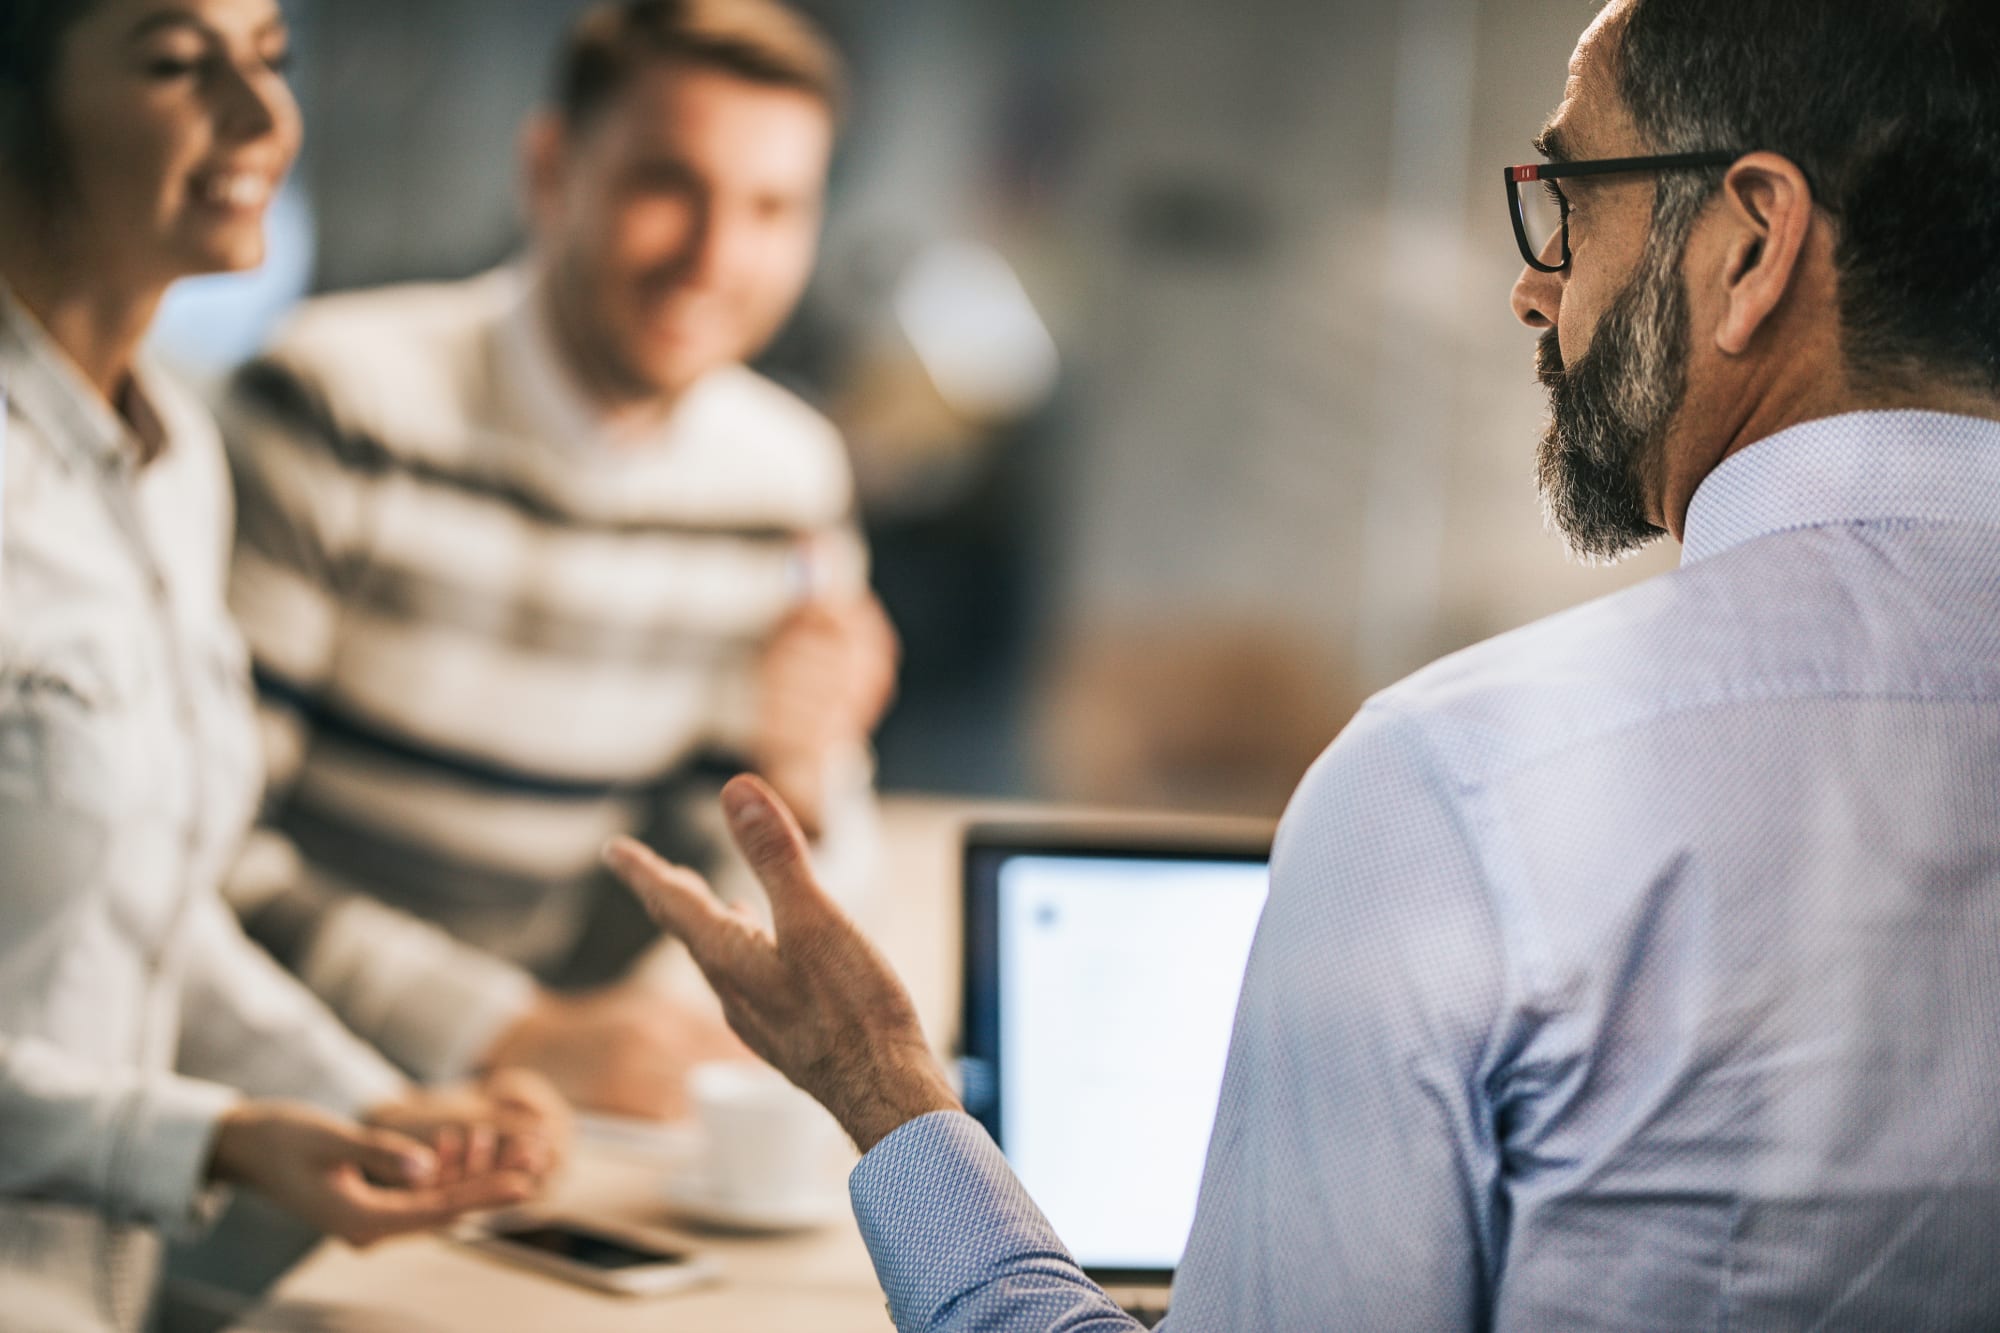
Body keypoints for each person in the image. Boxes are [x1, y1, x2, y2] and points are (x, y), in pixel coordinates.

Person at [607, 0, 2000, 1326]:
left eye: (1570, 202)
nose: (1532, 286)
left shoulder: (1463, 787)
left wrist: (887, 1094)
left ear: (1750, 246)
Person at [216, 0, 896, 1119]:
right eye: (665, 184)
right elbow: (196, 853)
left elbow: (753, 886)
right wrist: (508, 1033)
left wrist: (804, 781)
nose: (715, 256)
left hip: (554, 1124)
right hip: (286, 1101)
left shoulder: (787, 479)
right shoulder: (333, 403)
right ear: (549, 170)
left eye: (772, 208)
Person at [0, 2, 567, 1328]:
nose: (262, 120)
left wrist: (370, 1101)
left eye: (268, 57)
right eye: (175, 63)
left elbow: (136, 920)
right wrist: (209, 1140)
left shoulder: (172, 458)